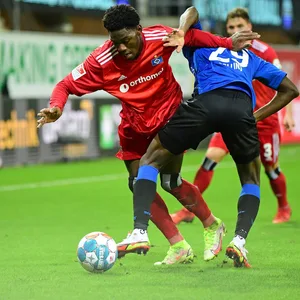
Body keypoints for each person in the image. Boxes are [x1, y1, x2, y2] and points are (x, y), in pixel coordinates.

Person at [36, 5, 258, 265]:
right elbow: (65, 85)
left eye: (125, 41)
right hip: (134, 124)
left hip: (168, 118)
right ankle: (178, 245)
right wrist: (57, 106)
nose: (121, 48)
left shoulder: (159, 38)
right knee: (137, 183)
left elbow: (193, 34)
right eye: (114, 42)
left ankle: (212, 225)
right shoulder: (101, 61)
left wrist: (226, 42)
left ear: (139, 31)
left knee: (170, 182)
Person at [118, 25, 299, 268]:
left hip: (206, 105)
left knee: (149, 160)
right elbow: (291, 90)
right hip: (241, 111)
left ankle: (140, 231)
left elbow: (191, 13)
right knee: (250, 179)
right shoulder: (253, 58)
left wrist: (182, 30)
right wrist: (254, 117)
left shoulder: (199, 45)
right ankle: (239, 241)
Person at [172, 7, 295, 226]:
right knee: (210, 159)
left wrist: (287, 113)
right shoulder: (224, 48)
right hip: (234, 118)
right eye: (231, 27)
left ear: (250, 27)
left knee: (270, 169)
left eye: (240, 26)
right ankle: (188, 209)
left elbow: (285, 85)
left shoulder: (264, 51)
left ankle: (284, 207)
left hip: (263, 121)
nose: (235, 30)